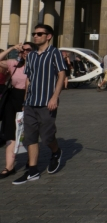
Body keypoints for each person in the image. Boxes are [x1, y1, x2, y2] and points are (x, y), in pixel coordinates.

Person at [12, 24, 67, 185]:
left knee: (47, 136)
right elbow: (29, 78)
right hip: (30, 103)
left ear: (48, 36)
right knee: (30, 137)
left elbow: (61, 74)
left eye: (39, 34)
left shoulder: (54, 53)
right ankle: (33, 171)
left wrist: (55, 97)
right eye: (34, 33)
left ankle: (56, 151)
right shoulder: (31, 56)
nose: (35, 36)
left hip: (47, 102)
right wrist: (25, 100)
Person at [0, 42, 34, 179]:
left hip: (30, 100)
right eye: (23, 50)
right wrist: (12, 48)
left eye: (28, 50)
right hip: (13, 99)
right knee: (10, 133)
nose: (25, 52)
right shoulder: (14, 63)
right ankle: (9, 166)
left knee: (28, 132)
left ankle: (30, 160)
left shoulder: (37, 66)